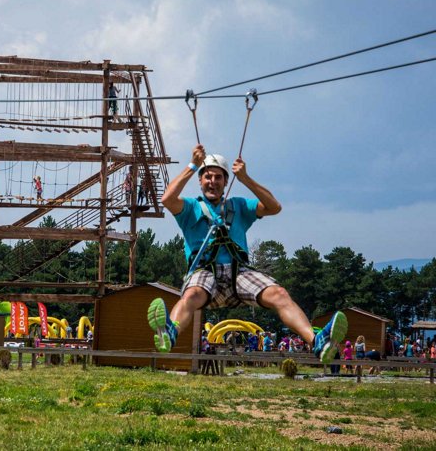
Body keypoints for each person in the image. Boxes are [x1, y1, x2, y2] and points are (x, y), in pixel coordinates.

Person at [147, 144, 348, 365]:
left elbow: (274, 207)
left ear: (225, 182)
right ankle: (169, 332)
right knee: (191, 294)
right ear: (200, 180)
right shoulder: (190, 208)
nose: (212, 181)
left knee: (279, 294)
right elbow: (167, 199)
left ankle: (316, 341)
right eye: (207, 177)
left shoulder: (239, 206)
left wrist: (245, 179)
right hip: (205, 273)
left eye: (217, 178)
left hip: (238, 273)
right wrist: (193, 165)